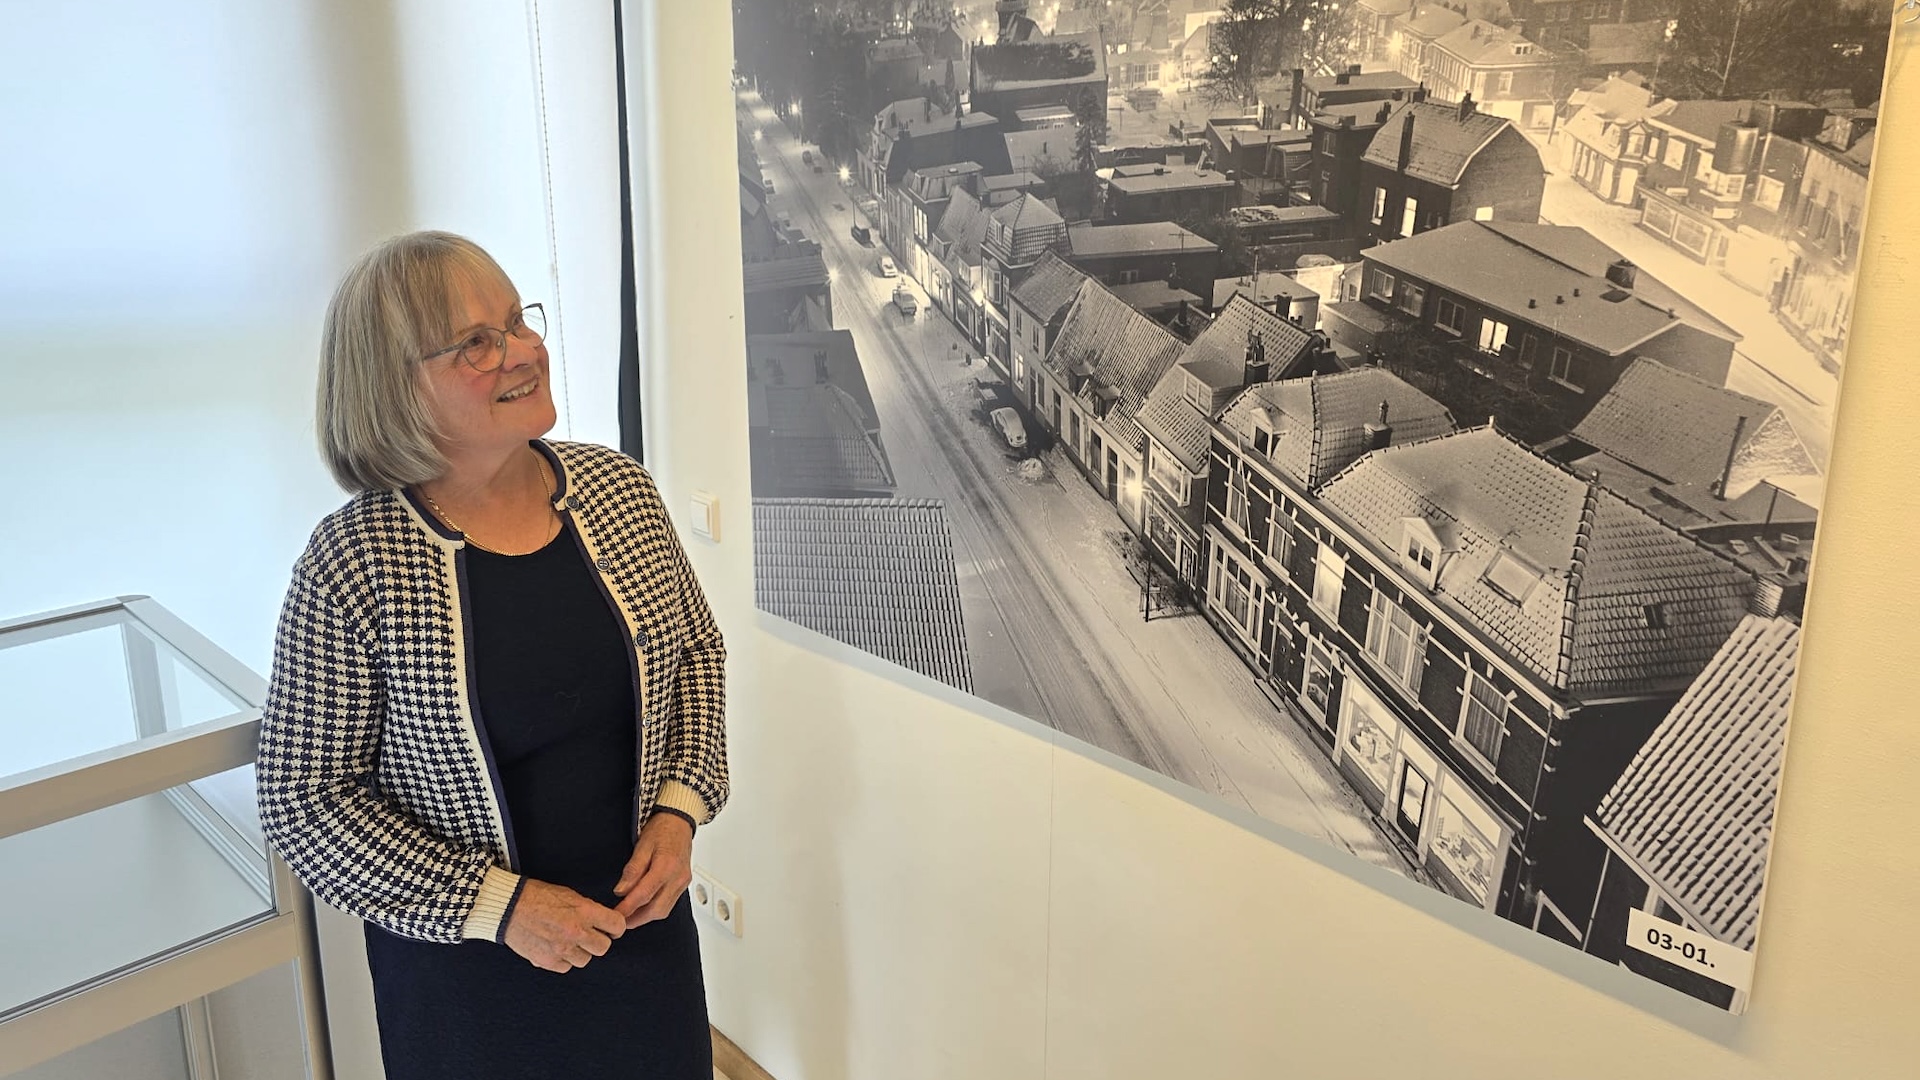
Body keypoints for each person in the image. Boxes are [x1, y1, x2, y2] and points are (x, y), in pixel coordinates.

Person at [255, 231, 727, 1079]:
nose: (523, 351)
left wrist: (678, 811)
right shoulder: (354, 562)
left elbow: (694, 656)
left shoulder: (619, 490)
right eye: (476, 342)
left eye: (516, 321)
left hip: (642, 942)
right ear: (393, 386)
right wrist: (500, 908)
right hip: (470, 982)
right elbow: (305, 800)